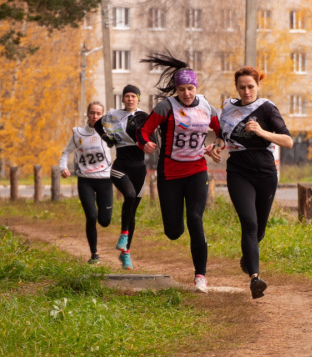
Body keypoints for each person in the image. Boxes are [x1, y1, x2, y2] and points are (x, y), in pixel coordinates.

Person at [137, 52, 220, 293]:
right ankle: (175, 226)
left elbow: (221, 131)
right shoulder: (166, 107)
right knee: (174, 232)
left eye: (190, 88)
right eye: (182, 89)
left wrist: (215, 145)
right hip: (170, 174)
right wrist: (146, 144)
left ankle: (200, 277)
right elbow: (144, 131)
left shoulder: (206, 106)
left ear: (196, 87)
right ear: (177, 89)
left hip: (196, 170)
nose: (187, 93)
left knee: (195, 218)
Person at [209, 66, 293, 299]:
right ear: (236, 87)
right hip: (238, 171)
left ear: (258, 86)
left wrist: (262, 132)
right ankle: (255, 279)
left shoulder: (266, 108)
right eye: (242, 87)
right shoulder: (227, 108)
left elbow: (288, 141)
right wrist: (215, 146)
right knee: (249, 224)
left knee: (260, 230)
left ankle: (248, 258)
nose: (246, 91)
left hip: (265, 172)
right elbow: (221, 136)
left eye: (250, 87)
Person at [93, 85, 148, 270]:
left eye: (133, 96)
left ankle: (126, 253)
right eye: (127, 96)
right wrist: (106, 138)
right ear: (123, 99)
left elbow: (149, 133)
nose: (130, 99)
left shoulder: (143, 117)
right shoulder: (114, 115)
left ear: (138, 99)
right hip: (120, 166)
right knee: (130, 196)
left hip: (139, 168)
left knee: (132, 211)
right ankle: (124, 236)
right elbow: (97, 123)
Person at [59, 101, 113, 264]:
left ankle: (102, 224)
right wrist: (63, 168)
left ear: (102, 115)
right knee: (91, 216)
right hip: (85, 181)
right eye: (92, 113)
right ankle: (94, 254)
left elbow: (123, 144)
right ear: (87, 114)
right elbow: (66, 152)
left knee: (104, 221)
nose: (95, 116)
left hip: (105, 179)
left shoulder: (108, 131)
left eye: (98, 113)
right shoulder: (78, 133)